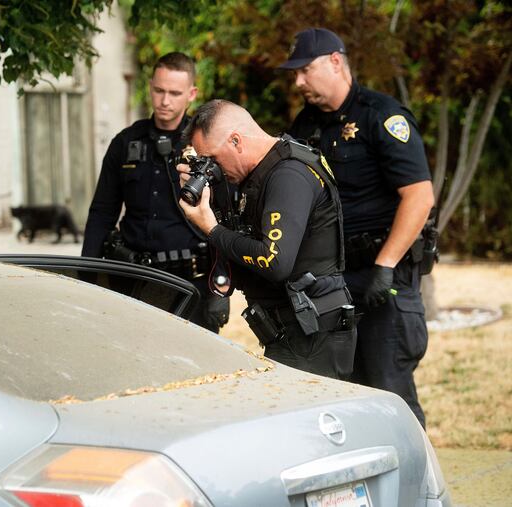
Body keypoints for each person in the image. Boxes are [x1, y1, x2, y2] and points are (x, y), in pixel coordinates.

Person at [279, 27, 435, 427]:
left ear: (335, 62)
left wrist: (385, 266)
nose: (297, 81)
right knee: (345, 397)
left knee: (390, 394)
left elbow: (419, 197)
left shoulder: (382, 116)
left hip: (383, 278)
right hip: (332, 282)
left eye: (304, 70)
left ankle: (420, 489)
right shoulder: (305, 125)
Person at [178, 99, 356, 380]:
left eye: (213, 159)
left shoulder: (288, 175)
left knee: (302, 422)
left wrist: (212, 229)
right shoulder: (263, 173)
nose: (214, 169)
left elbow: (274, 261)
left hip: (311, 334)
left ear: (236, 141)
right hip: (295, 330)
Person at [82, 52, 230, 332]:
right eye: (159, 90)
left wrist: (220, 288)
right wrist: (85, 277)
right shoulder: (125, 143)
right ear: (149, 86)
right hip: (134, 278)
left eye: (174, 93)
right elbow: (102, 212)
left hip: (191, 282)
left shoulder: (205, 145)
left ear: (192, 94)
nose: (164, 101)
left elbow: (223, 219)